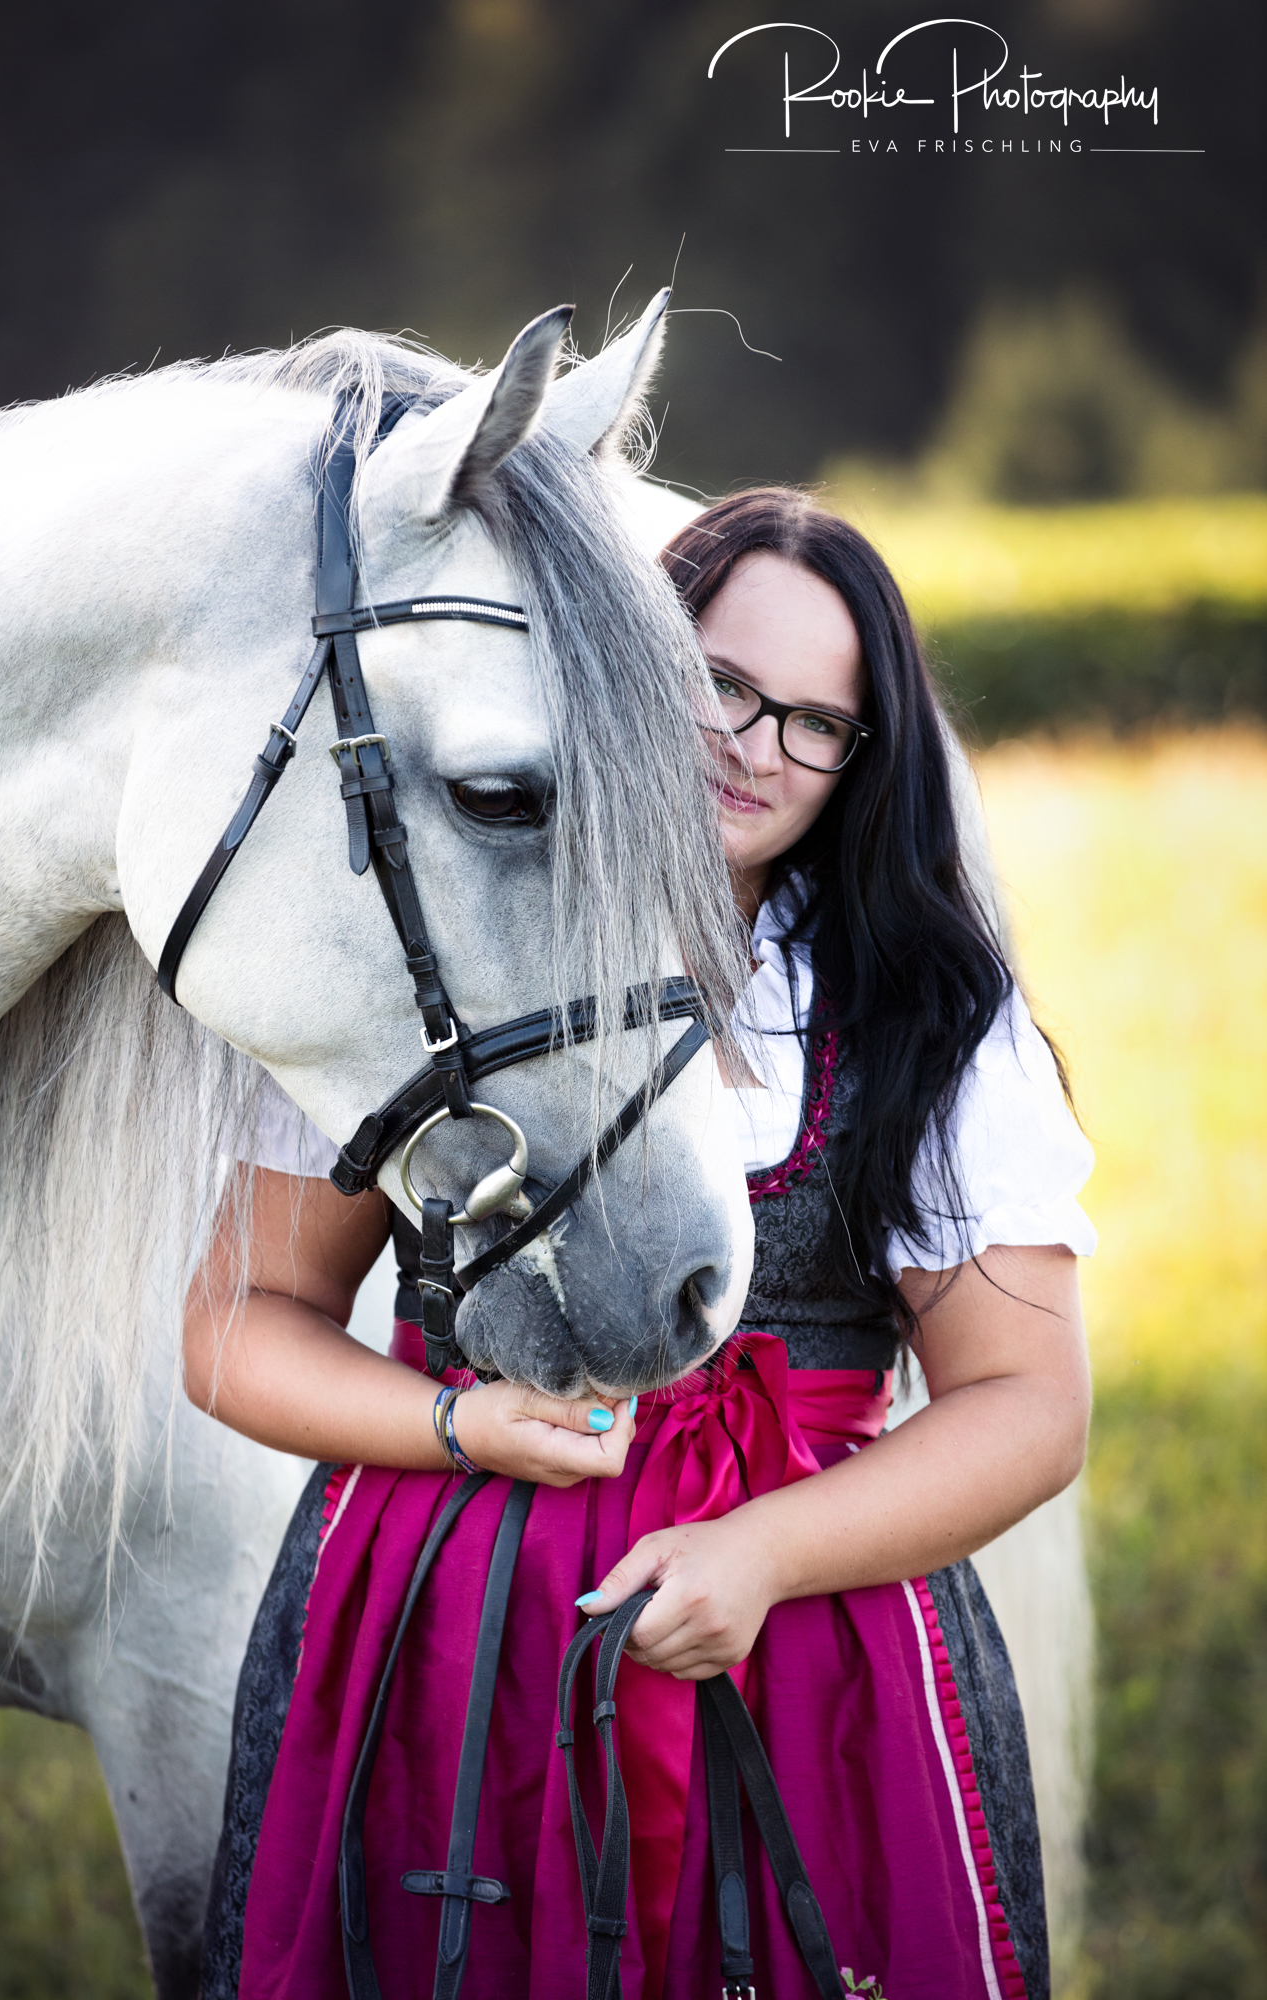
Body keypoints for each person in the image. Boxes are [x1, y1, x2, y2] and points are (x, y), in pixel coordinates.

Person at [194, 488, 1094, 2000]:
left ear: (861, 759)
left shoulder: (922, 1013)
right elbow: (238, 1322)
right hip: (440, 1639)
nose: (755, 746)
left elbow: (1029, 1405)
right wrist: (455, 1423)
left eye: (817, 722)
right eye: (719, 683)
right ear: (621, 662)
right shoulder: (441, 955)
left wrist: (761, 1554)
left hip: (807, 1656)